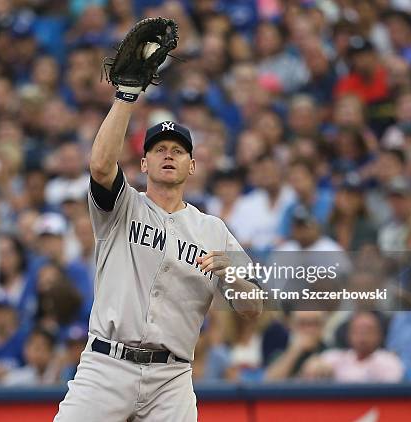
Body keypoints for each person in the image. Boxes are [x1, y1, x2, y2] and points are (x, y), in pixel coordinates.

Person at [54, 39, 262, 420]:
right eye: (160, 149)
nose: (169, 154)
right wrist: (126, 97)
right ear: (145, 163)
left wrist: (233, 276)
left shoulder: (213, 230)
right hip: (107, 365)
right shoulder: (123, 206)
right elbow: (101, 166)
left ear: (192, 165)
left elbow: (253, 308)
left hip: (172, 377)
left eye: (178, 150)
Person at [301, 311, 403, 383]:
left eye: (368, 330)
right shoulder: (335, 357)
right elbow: (311, 369)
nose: (363, 335)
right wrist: (315, 366)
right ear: (349, 334)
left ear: (379, 335)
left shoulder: (389, 361)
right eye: (358, 330)